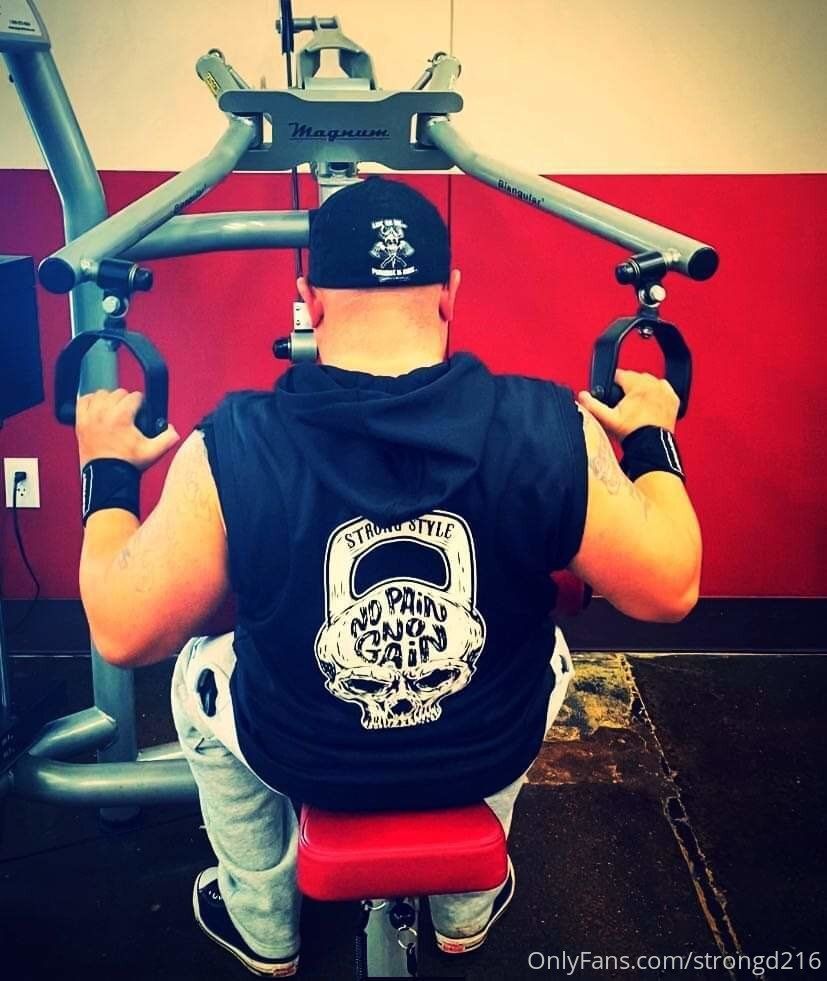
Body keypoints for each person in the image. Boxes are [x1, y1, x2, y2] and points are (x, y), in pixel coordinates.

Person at [75, 177, 701, 977]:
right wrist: (649, 440)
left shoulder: (233, 440)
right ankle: (467, 909)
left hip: (300, 755)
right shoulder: (550, 426)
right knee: (543, 651)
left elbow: (123, 633)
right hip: (484, 746)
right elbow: (669, 590)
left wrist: (107, 476)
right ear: (448, 295)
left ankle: (261, 918)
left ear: (311, 301)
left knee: (195, 672)